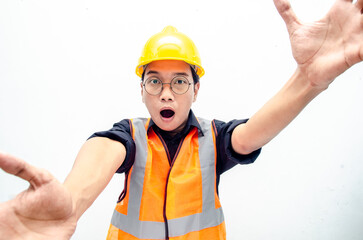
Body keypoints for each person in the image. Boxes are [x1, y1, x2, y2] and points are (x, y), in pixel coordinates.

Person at [0, 0, 362, 239]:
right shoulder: (128, 136)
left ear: (196, 89)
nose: (166, 93)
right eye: (154, 82)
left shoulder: (214, 139)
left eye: (179, 82)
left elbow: (251, 134)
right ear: (142, 91)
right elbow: (101, 151)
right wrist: (70, 206)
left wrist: (309, 81)